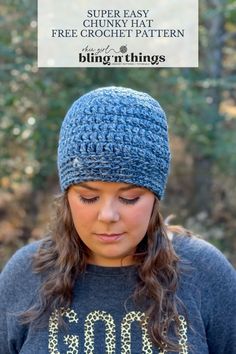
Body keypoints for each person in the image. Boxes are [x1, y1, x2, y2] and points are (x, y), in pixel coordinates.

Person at [0, 87, 235, 354]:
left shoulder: (206, 273)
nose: (108, 215)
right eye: (88, 197)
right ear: (67, 195)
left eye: (130, 197)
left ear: (155, 196)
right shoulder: (25, 275)